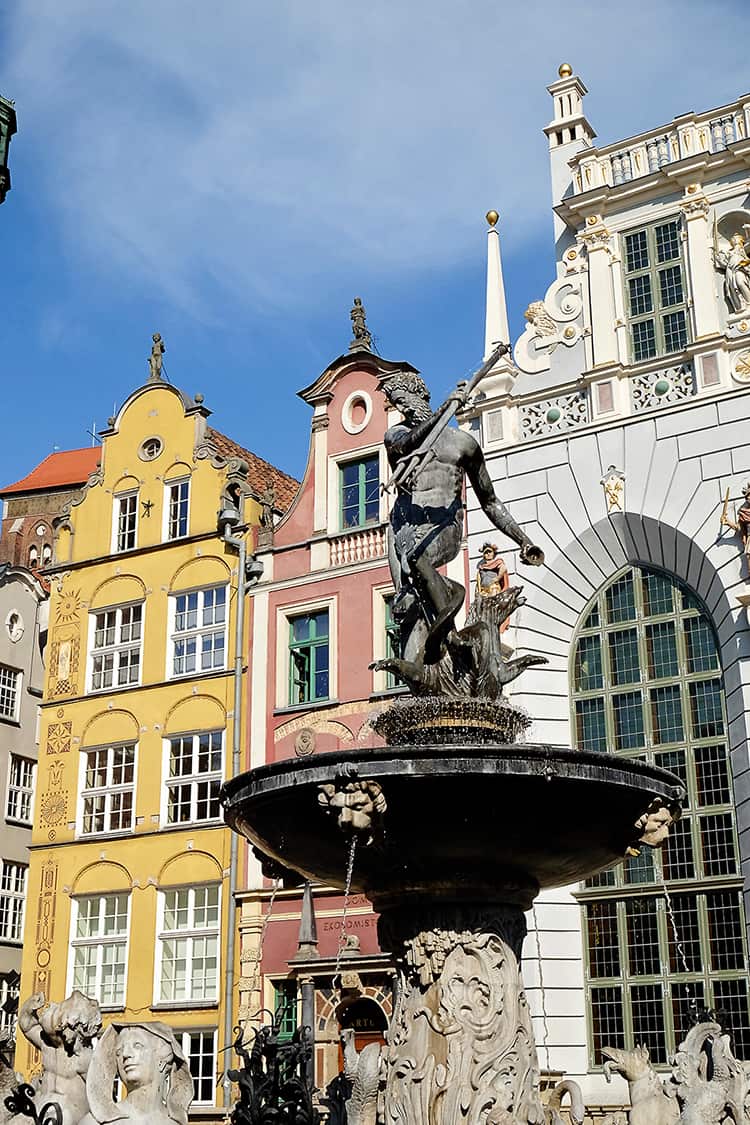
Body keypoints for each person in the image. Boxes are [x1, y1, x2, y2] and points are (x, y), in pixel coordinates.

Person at [381, 370, 542, 664]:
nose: (401, 408)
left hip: (443, 527)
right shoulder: (397, 435)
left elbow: (490, 501)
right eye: (395, 403)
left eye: (402, 400)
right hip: (403, 526)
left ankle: (450, 631)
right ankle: (423, 668)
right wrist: (444, 409)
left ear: (420, 397)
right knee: (405, 604)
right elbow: (408, 446)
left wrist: (523, 540)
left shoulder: (463, 444)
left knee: (418, 559)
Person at [18, 990, 102, 1125]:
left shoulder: (84, 1059)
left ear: (68, 1027)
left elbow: (101, 1096)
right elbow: (27, 1026)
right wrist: (28, 1008)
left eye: (59, 1008)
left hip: (69, 1117)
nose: (51, 1005)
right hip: (40, 1111)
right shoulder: (47, 1045)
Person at [83, 1023, 193, 1125]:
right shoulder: (93, 1123)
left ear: (162, 1060)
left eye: (137, 1046)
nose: (125, 1054)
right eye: (119, 1052)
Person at [714, 231, 750, 314]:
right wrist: (717, 258)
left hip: (740, 267)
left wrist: (748, 229)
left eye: (735, 239)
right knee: (733, 288)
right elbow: (724, 264)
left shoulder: (742, 248)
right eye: (732, 239)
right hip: (730, 270)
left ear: (740, 240)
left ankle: (748, 302)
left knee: (740, 283)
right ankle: (741, 305)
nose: (733, 240)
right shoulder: (729, 252)